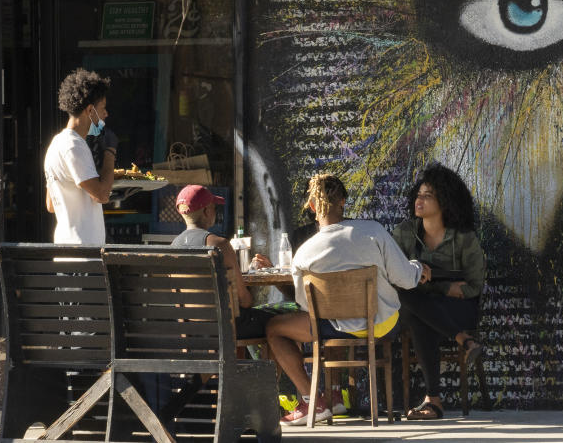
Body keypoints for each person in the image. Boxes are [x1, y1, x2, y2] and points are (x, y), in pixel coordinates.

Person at [266, 173, 425, 426]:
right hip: (382, 324)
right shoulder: (373, 230)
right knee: (333, 321)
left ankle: (312, 400)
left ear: (312, 206)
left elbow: (306, 307)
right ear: (343, 202)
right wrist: (418, 268)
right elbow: (406, 279)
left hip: (334, 327)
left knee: (274, 328)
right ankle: (334, 395)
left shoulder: (304, 253)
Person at [392, 163, 486, 421]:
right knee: (411, 304)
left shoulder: (464, 239)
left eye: (428, 196)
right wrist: (443, 285)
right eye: (418, 195)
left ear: (444, 202)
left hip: (459, 310)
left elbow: (474, 286)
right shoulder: (404, 233)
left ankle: (433, 400)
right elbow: (393, 276)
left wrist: (435, 284)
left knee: (416, 311)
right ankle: (464, 341)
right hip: (420, 305)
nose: (419, 200)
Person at [170, 184, 275, 338]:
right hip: (228, 327)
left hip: (193, 328)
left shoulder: (173, 247)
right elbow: (244, 300)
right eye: (213, 207)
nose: (215, 211)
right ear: (206, 211)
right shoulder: (219, 245)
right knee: (278, 323)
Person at [44, 68, 118, 244]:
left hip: (66, 246)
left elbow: (51, 205)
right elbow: (101, 195)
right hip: (83, 252)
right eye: (103, 108)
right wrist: (110, 152)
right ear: (90, 110)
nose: (106, 114)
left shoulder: (56, 143)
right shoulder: (74, 145)